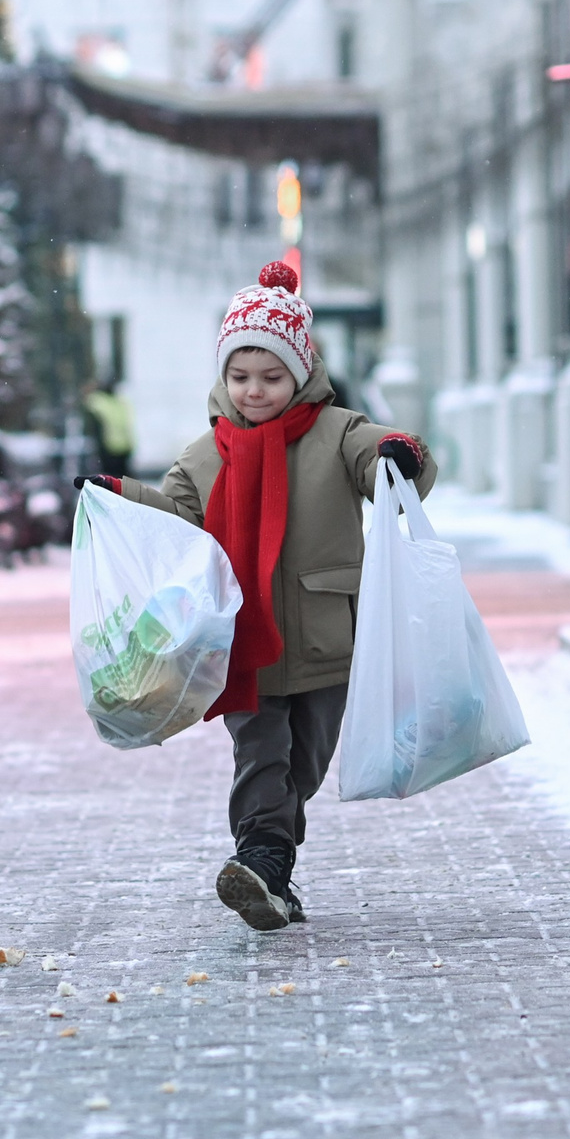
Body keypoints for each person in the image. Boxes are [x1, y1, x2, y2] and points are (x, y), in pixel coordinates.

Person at [86, 261, 429, 930]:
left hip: (328, 636)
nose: (254, 391)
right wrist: (118, 492)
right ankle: (262, 854)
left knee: (304, 762)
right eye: (240, 377)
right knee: (260, 753)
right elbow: (175, 515)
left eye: (272, 376)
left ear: (301, 370)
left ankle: (271, 869)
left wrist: (400, 454)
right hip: (240, 639)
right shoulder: (206, 454)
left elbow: (379, 452)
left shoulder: (337, 431)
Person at [82, 377, 137, 479]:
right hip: (113, 448)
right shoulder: (115, 401)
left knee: (114, 481)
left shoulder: (100, 402)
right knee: (119, 481)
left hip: (115, 448)